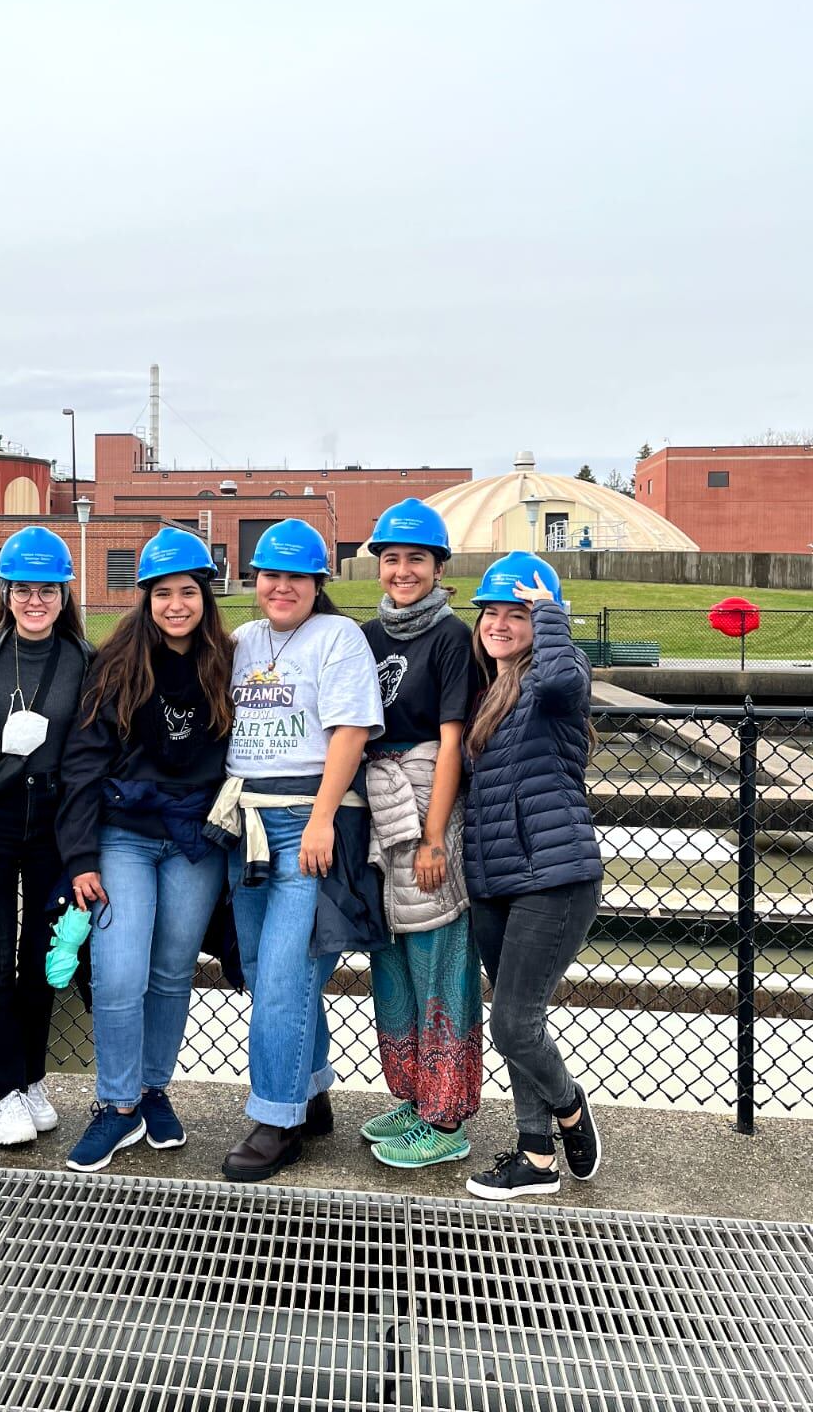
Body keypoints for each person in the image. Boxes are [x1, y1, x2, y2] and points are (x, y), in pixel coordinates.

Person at [214, 519, 385, 1183]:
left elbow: (348, 735)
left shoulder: (336, 638)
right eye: (270, 575)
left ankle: (276, 1118)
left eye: (296, 577)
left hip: (308, 822)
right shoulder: (242, 641)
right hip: (245, 822)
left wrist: (320, 820)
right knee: (265, 971)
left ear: (318, 583)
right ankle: (310, 1093)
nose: (281, 587)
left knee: (286, 976)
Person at [59, 528, 234, 1172]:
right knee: (119, 971)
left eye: (188, 591)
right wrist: (80, 857)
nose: (176, 604)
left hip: (196, 841)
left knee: (170, 971)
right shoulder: (115, 664)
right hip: (125, 837)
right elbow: (82, 763)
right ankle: (115, 1103)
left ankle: (153, 1089)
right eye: (163, 593)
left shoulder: (228, 662)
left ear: (205, 597)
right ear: (146, 599)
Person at [460, 551, 604, 1201]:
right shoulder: (488, 692)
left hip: (554, 875)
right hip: (495, 882)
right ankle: (537, 1155)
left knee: (513, 1024)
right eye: (491, 612)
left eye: (514, 613)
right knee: (522, 1021)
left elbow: (557, 685)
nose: (498, 623)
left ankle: (569, 1110)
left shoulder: (560, 671)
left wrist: (551, 614)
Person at [0, 527, 91, 1146]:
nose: (34, 601)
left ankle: (32, 1077)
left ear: (63, 595)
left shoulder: (86, 662)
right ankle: (0, 1088)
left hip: (53, 825)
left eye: (46, 590)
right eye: (22, 589)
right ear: (5, 592)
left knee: (42, 956)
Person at [359, 500, 483, 1170]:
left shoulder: (451, 636)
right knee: (393, 966)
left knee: (441, 962)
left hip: (427, 807)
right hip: (379, 812)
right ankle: (412, 1095)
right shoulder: (366, 635)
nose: (403, 571)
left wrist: (435, 836)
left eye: (416, 559)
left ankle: (447, 1115)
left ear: (438, 568)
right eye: (393, 559)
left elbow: (451, 738)